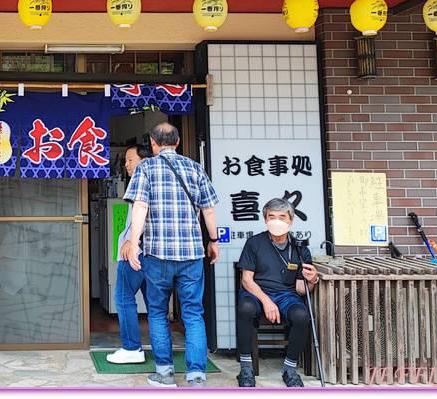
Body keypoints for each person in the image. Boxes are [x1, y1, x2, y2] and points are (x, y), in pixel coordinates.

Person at [126, 122, 220, 388]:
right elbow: (209, 210)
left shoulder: (145, 168)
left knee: (156, 311)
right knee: (193, 313)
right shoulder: (195, 167)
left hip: (157, 254)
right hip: (191, 254)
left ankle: (165, 373)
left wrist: (134, 244)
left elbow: (140, 207)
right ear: (177, 143)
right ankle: (197, 376)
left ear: (153, 144)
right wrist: (213, 241)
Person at [235, 197, 319, 388]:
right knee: (246, 307)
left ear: (291, 220)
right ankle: (246, 369)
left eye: (282, 217)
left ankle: (289, 369)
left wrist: (312, 279)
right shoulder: (254, 243)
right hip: (256, 292)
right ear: (265, 219)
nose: (277, 221)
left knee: (301, 315)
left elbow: (300, 289)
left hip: (286, 295)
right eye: (272, 216)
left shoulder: (299, 249)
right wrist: (266, 301)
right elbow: (247, 280)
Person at [106, 143, 153, 364]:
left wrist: (132, 242)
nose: (126, 164)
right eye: (125, 161)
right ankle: (160, 350)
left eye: (130, 159)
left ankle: (132, 348)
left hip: (136, 251)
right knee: (153, 302)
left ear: (144, 159)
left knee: (123, 298)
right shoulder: (155, 179)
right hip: (152, 253)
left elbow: (143, 215)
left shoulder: (143, 181)